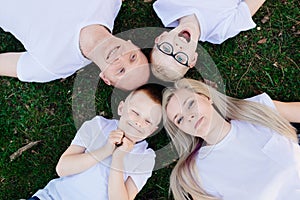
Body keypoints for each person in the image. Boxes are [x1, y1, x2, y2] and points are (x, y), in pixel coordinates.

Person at [162, 78, 300, 200]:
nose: (189, 117)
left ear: (207, 97)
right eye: (179, 119)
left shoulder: (256, 110)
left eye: (190, 104)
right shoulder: (196, 173)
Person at [27, 83, 164, 200]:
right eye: (135, 112)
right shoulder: (98, 126)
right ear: (121, 109)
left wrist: (118, 158)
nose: (139, 123)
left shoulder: (145, 157)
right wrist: (105, 151)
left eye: (148, 121)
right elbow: (62, 169)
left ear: (152, 130)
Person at [0, 0, 150, 90]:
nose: (120, 58)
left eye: (121, 71)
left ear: (105, 78)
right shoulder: (110, 3)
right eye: (132, 57)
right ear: (132, 44)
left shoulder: (53, 66)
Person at [150, 0, 266, 81]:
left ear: (160, 38)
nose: (177, 47)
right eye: (180, 58)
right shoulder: (221, 30)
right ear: (193, 59)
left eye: (166, 49)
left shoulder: (165, 5)